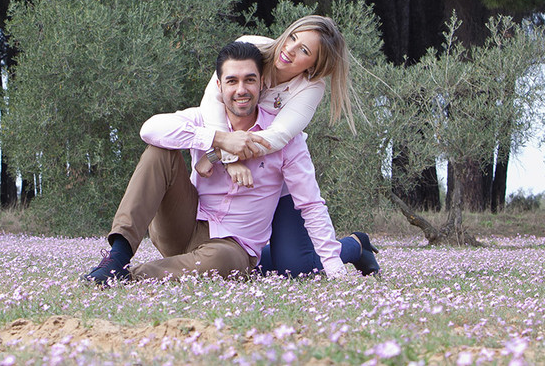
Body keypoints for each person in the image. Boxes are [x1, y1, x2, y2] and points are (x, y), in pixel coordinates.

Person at [83, 41, 357, 285]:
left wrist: (334, 269)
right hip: (185, 226)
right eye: (232, 81)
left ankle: (130, 277)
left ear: (262, 84)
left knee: (228, 262)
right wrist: (217, 141)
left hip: (232, 248)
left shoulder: (284, 139)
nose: (241, 90)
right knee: (160, 152)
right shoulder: (202, 119)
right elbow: (149, 129)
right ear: (219, 85)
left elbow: (310, 204)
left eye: (249, 80)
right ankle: (117, 258)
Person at [195, 15, 379, 277]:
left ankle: (355, 246)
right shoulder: (250, 47)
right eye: (293, 37)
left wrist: (224, 154)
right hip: (235, 171)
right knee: (234, 253)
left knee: (296, 268)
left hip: (277, 177)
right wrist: (227, 157)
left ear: (314, 65)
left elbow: (278, 136)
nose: (289, 50)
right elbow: (211, 102)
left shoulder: (310, 87)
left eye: (304, 50)